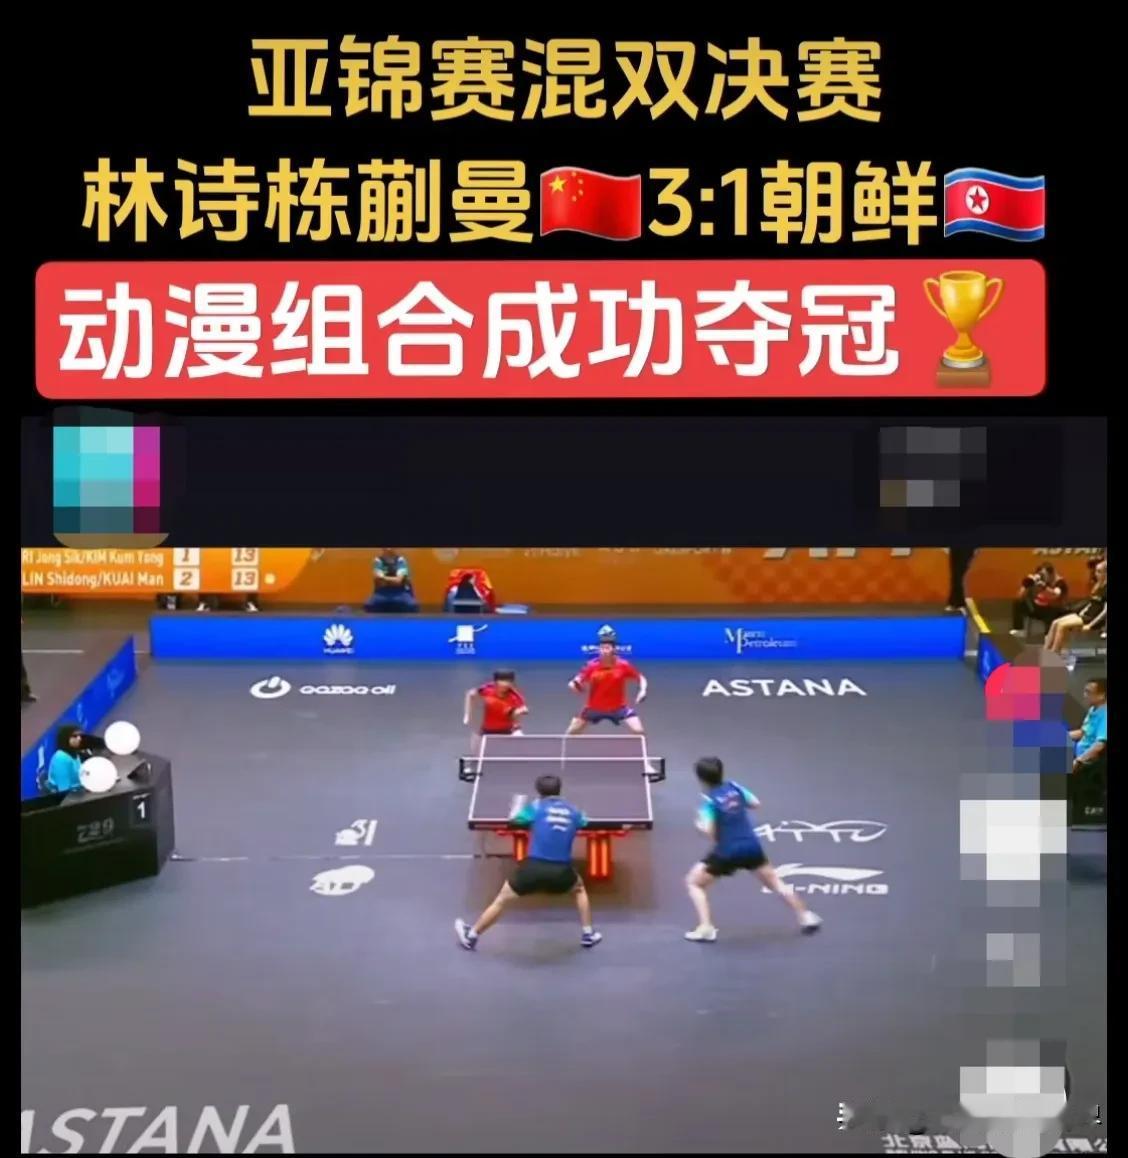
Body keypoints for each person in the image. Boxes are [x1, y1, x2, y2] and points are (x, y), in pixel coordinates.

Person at [455, 774, 602, 950]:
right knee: (579, 890)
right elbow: (584, 822)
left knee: (501, 901)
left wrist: (523, 809)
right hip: (562, 870)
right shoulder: (573, 811)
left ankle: (472, 936)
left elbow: (516, 819)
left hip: (533, 868)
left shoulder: (536, 807)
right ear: (559, 790)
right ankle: (588, 934)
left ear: (539, 792)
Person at [684, 756, 822, 943]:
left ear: (701, 779)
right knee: (775, 882)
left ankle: (706, 928)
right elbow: (756, 803)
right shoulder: (735, 787)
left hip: (728, 852)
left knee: (694, 883)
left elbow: (708, 831)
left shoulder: (709, 802)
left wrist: (699, 823)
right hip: (751, 846)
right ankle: (806, 916)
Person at [566, 633, 647, 735]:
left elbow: (641, 677)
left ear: (613, 650)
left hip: (618, 708)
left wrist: (642, 690)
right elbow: (577, 680)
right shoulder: (591, 665)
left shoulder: (623, 665)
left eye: (607, 648)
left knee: (639, 731)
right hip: (593, 708)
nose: (604, 651)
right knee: (572, 732)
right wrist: (574, 685)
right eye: (602, 648)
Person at [1045, 559, 1106, 655]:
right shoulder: (1098, 586)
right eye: (1095, 571)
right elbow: (1091, 604)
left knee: (1061, 626)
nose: (1095, 574)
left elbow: (1105, 611)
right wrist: (1080, 612)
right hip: (1084, 615)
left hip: (1090, 619)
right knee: (1055, 623)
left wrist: (1090, 625)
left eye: (1099, 572)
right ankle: (1045, 652)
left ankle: (1053, 655)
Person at [1069, 678, 1107, 825]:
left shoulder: (1105, 715)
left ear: (1101, 695)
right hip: (1078, 756)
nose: (1085, 695)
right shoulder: (1093, 710)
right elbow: (1083, 732)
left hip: (1091, 763)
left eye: (1088, 692)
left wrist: (1078, 761)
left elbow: (1099, 745)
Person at [463, 670, 528, 738]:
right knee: (490, 701)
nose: (505, 686)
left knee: (515, 711)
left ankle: (517, 730)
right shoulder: (487, 689)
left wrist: (520, 711)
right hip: (487, 731)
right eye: (502, 683)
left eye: (508, 683)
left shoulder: (515, 696)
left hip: (506, 731)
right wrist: (467, 714)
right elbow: (470, 694)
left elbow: (524, 709)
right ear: (496, 682)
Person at [1010, 562, 1069, 637]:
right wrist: (1026, 586)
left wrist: (1044, 587)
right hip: (1038, 607)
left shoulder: (1060, 582)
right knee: (1018, 603)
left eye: (1044, 575)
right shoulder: (1038, 580)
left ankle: (1048, 635)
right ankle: (1019, 629)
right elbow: (1020, 596)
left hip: (1053, 609)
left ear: (1051, 574)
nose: (1043, 577)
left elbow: (1055, 595)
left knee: (1052, 611)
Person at [364, 548, 419, 613]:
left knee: (412, 606)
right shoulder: (378, 561)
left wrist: (384, 578)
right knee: (369, 605)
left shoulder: (401, 560)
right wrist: (393, 580)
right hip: (382, 593)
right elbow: (380, 582)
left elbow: (398, 581)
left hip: (401, 593)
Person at [45, 724, 85, 794]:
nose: (79, 738)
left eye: (80, 736)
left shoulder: (74, 753)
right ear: (65, 738)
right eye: (74, 736)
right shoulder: (61, 759)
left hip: (79, 790)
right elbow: (64, 790)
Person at [945, 547, 978, 612]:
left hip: (965, 550)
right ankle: (953, 602)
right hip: (955, 550)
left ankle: (959, 603)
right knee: (954, 576)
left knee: (958, 577)